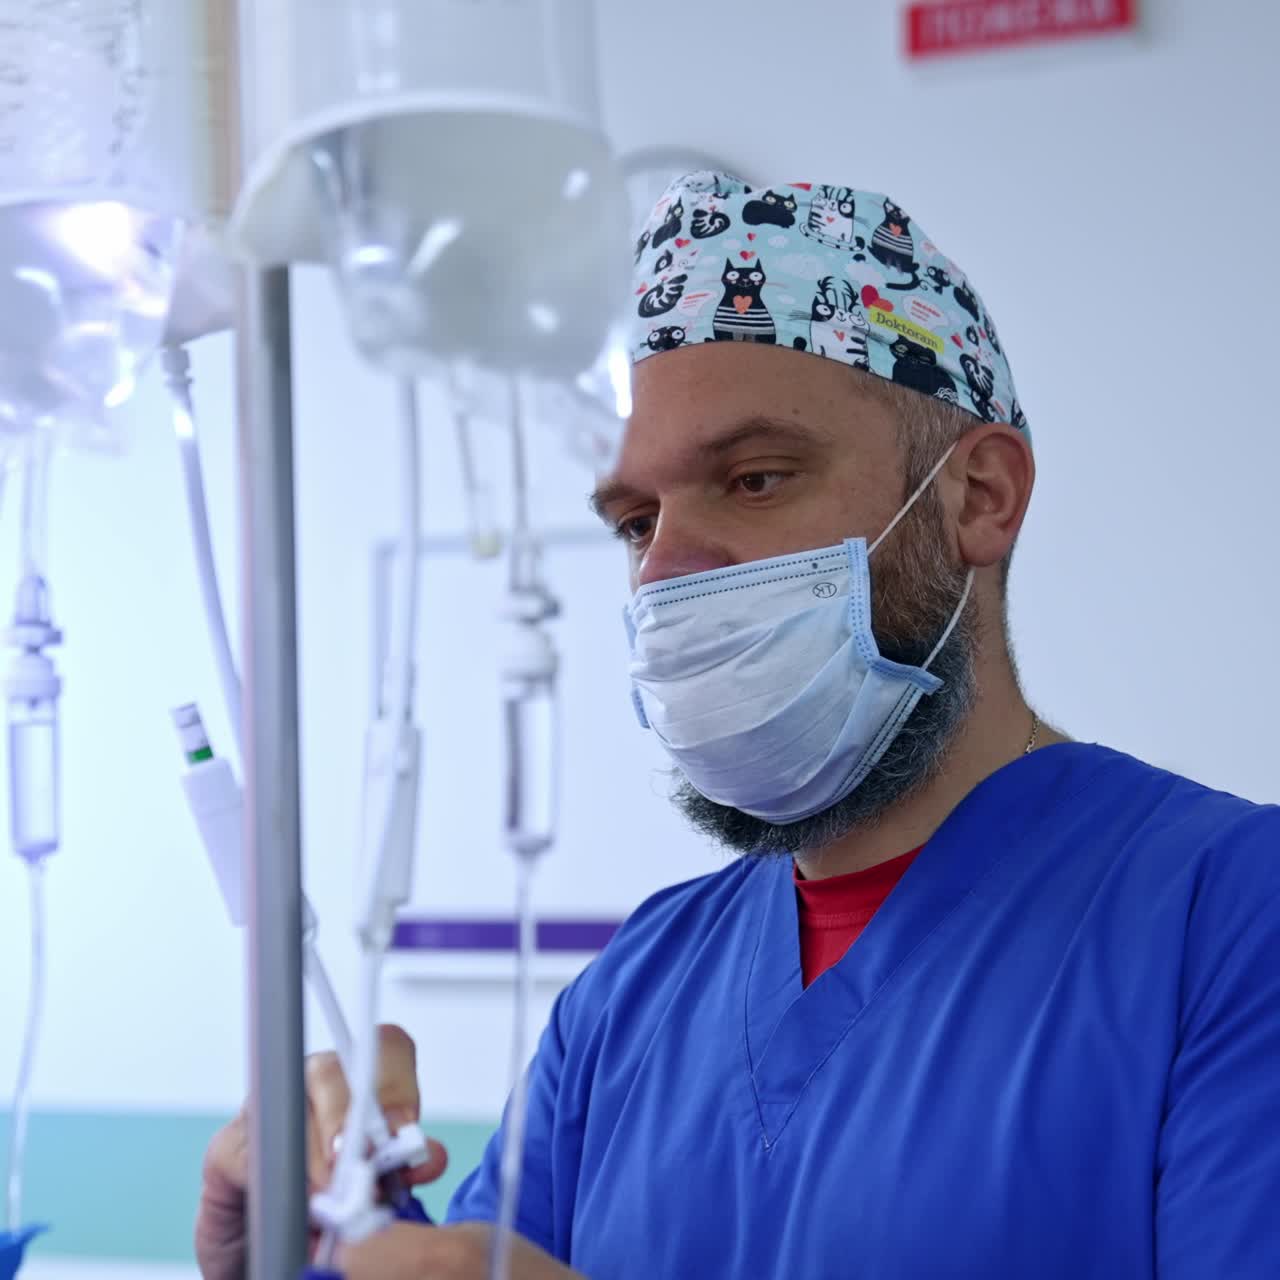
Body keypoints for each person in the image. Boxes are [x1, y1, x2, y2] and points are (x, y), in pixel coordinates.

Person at [196, 172, 1280, 1278]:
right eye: (632, 520)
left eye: (753, 479)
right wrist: (309, 1236)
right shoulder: (635, 992)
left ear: (979, 498)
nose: (664, 570)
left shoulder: (1228, 916)